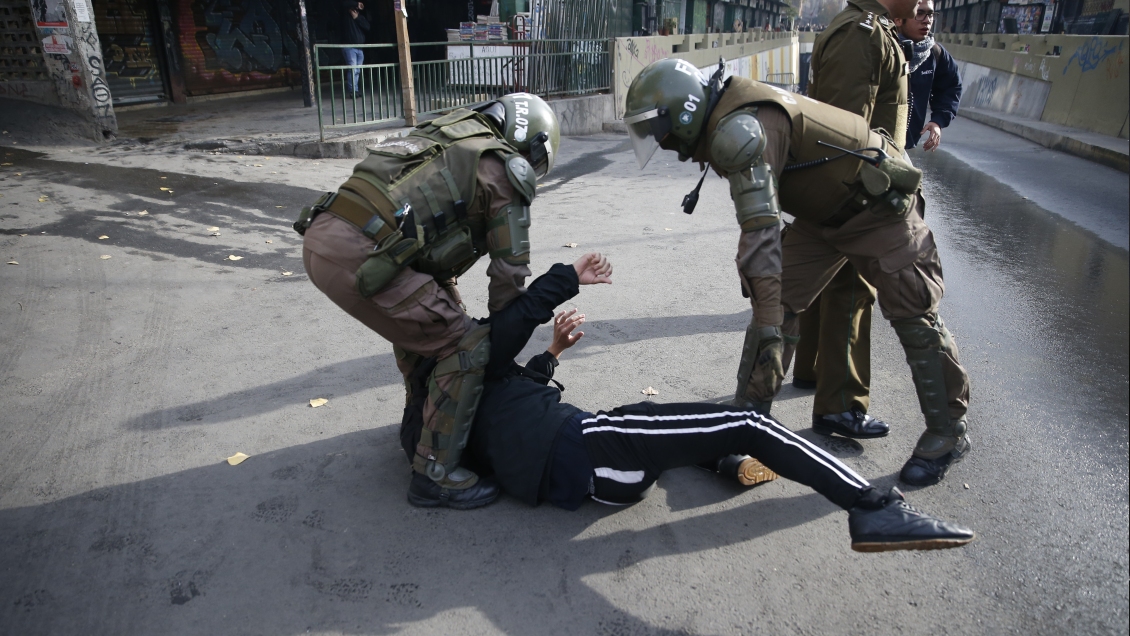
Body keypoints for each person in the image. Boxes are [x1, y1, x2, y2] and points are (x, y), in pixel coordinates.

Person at [448, 251, 974, 553]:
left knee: (671, 429)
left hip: (587, 481)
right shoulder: (463, 362)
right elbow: (511, 327)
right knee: (743, 419)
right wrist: (567, 279)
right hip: (588, 444)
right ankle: (874, 509)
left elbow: (507, 404)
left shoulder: (443, 417)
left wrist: (552, 356)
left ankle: (720, 458)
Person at [622, 58, 971, 487]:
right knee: (782, 298)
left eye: (659, 130)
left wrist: (767, 318)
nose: (664, 143)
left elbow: (760, 236)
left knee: (915, 315)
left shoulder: (739, 131)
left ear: (685, 113)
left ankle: (947, 433)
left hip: (877, 206)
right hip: (824, 211)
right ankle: (749, 418)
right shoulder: (730, 115)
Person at [295, 93, 560, 508]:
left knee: (434, 325)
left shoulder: (446, 134)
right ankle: (435, 474)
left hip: (322, 238)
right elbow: (509, 274)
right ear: (531, 142)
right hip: (362, 258)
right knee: (464, 346)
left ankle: (425, 424)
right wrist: (499, 340)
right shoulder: (504, 167)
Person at [791, 0, 917, 445]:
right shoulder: (862, 35)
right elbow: (848, 135)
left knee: (825, 285)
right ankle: (840, 406)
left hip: (850, 186)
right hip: (857, 191)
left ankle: (809, 371)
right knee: (851, 290)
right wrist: (857, 204)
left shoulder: (861, 28)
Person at [896, 0, 962, 151]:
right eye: (919, 13)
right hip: (872, 143)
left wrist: (938, 121)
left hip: (905, 146)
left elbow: (951, 87)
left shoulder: (935, 53)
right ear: (899, 18)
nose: (927, 20)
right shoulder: (883, 47)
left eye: (931, 14)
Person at [341, 1, 370, 96]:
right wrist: (356, 4)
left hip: (359, 48)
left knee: (357, 70)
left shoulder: (360, 17)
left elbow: (367, 27)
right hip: (349, 47)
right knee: (353, 69)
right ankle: (352, 91)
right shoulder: (345, 16)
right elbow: (344, 3)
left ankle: (355, 89)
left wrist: (357, 18)